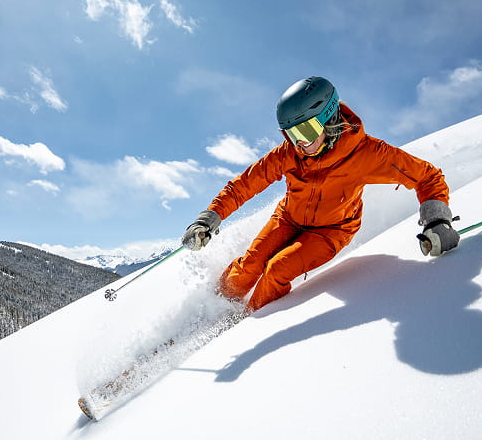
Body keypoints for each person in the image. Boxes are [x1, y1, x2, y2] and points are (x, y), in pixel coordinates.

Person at [181, 76, 459, 314]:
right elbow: (245, 184)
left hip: (331, 230)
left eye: (306, 130)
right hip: (288, 218)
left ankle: (246, 323)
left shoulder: (369, 154)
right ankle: (215, 308)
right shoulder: (289, 153)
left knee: (276, 269)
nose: (299, 143)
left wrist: (437, 221)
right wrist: (210, 217)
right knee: (249, 266)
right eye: (291, 134)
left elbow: (428, 176)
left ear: (329, 119)